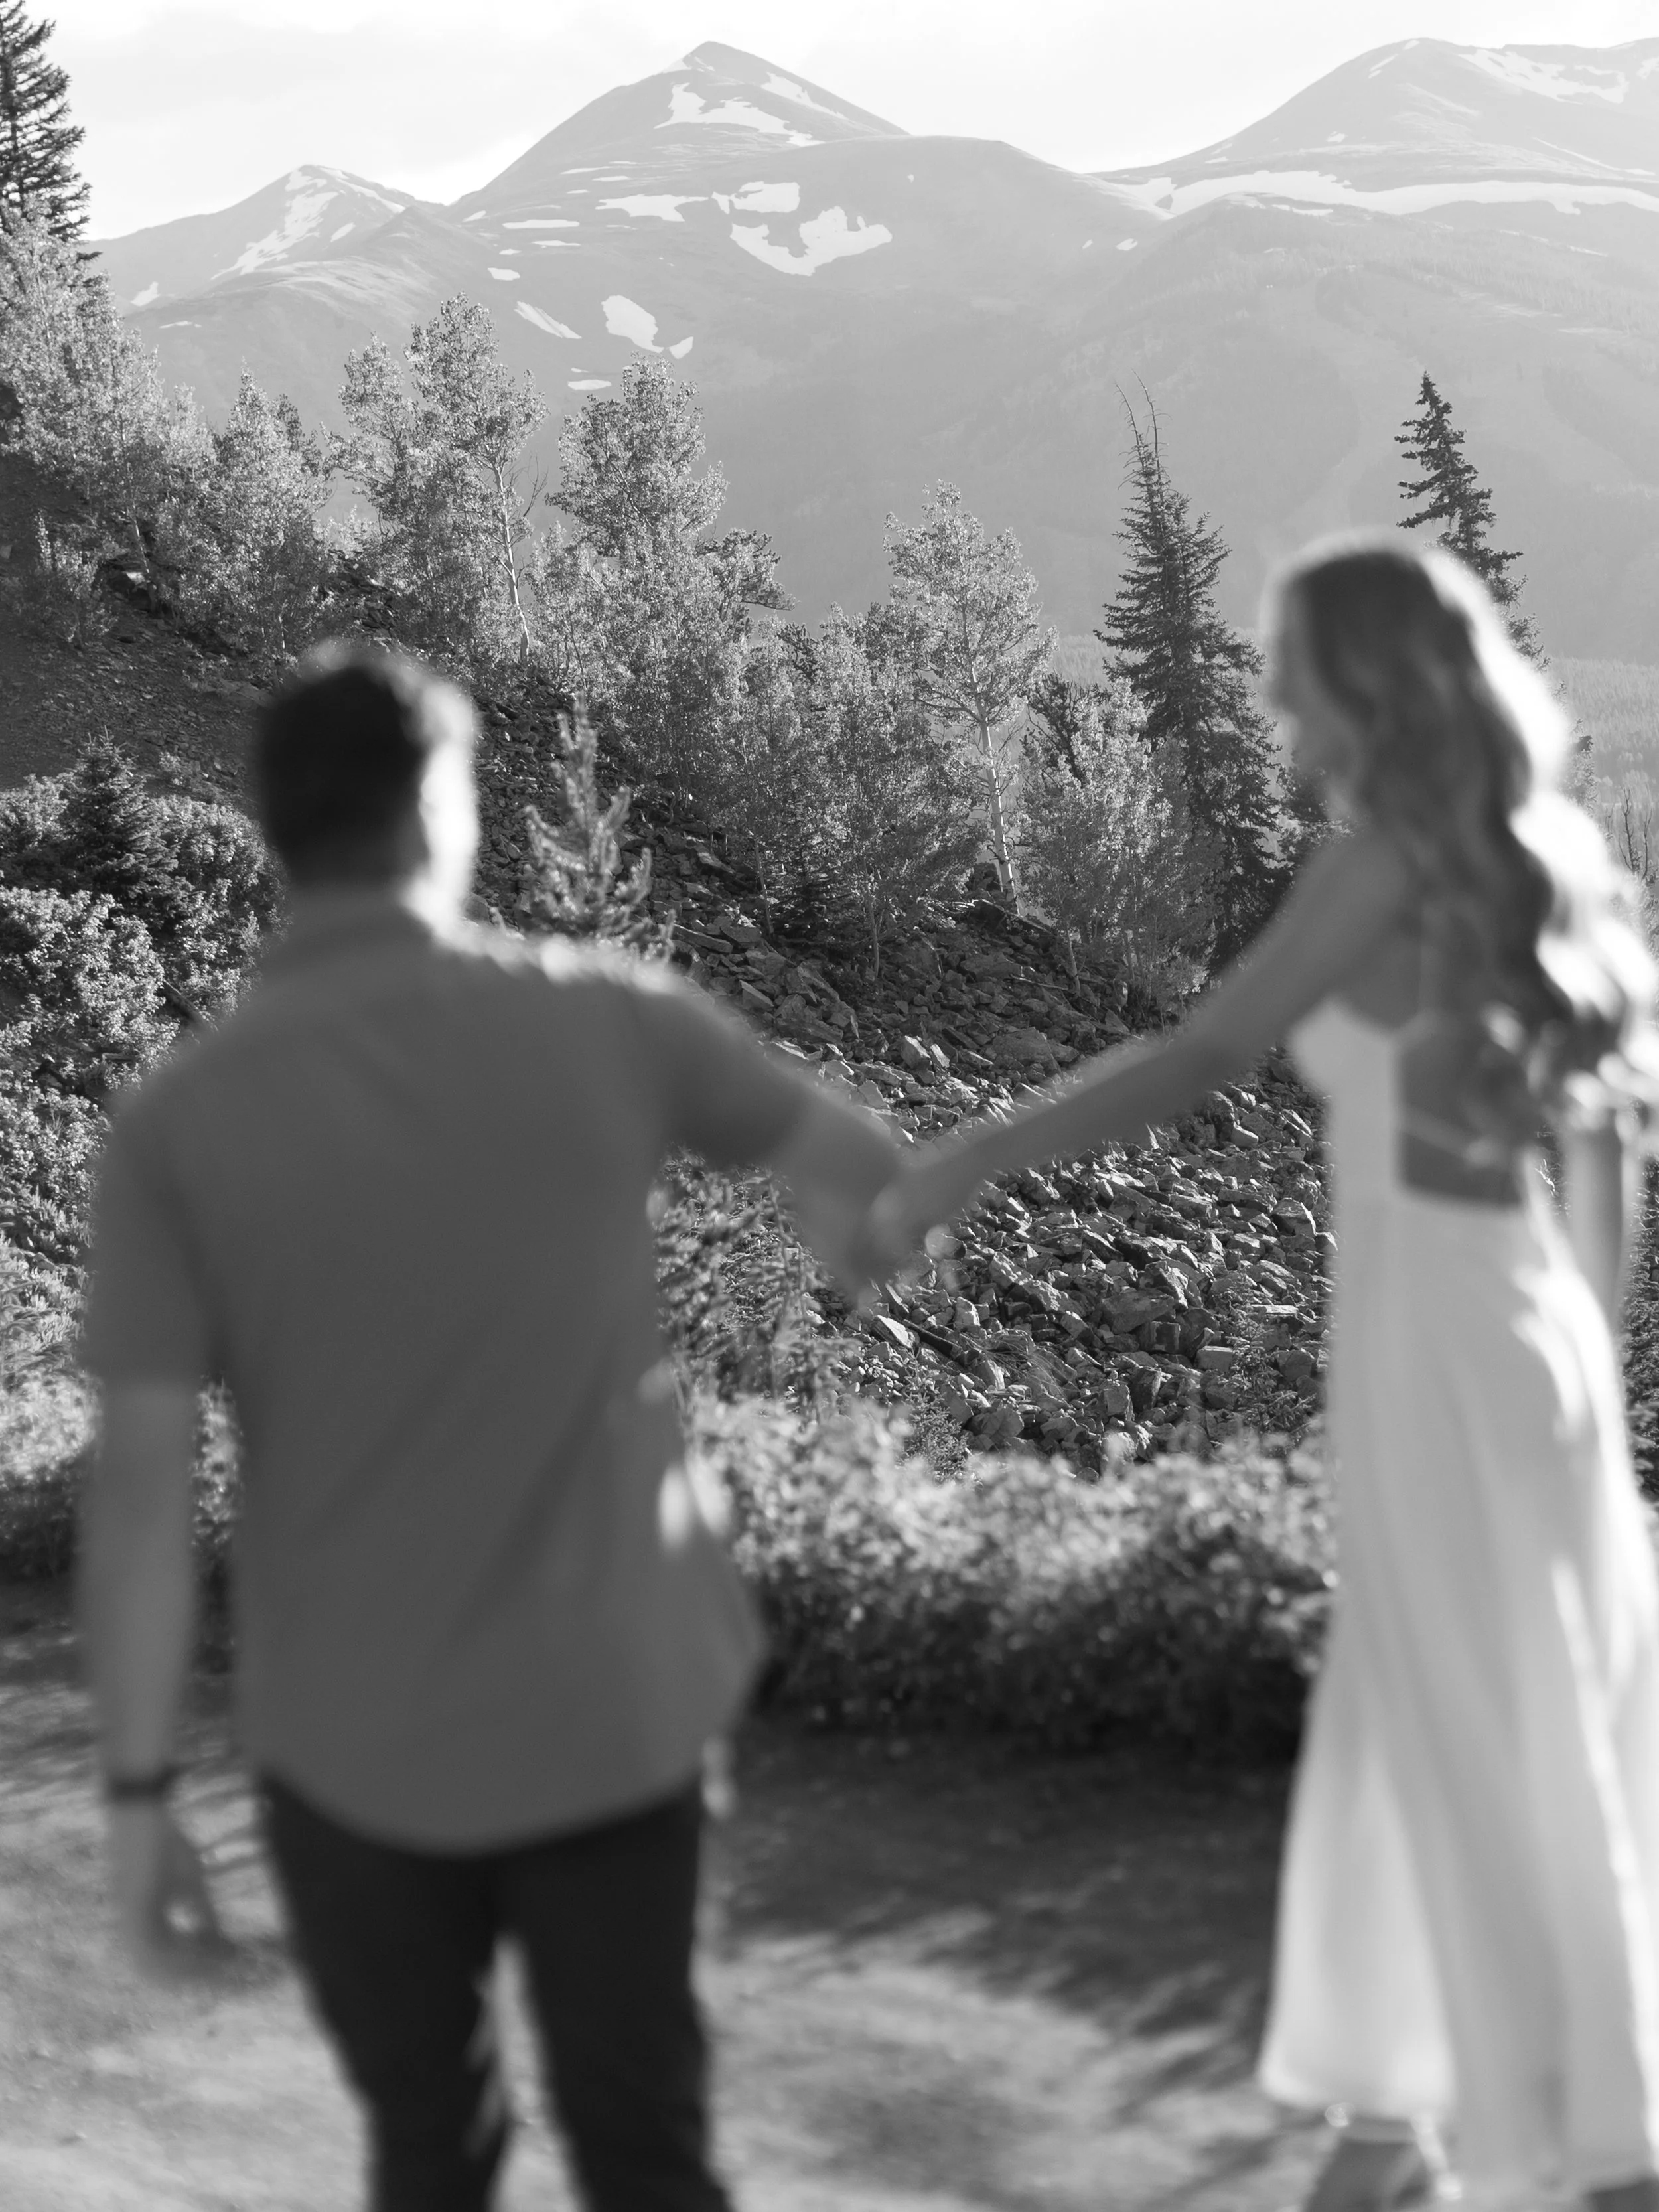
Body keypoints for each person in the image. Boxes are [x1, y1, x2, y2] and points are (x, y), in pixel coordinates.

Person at [868, 535, 1659, 2212]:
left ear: (1362, 682)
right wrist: (1569, 1353)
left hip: (1437, 1335)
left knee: (1468, 1744)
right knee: (1474, 1718)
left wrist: (962, 1159)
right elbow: (1606, 1156)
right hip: (1527, 1334)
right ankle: (1390, 2144)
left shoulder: (1369, 867)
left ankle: (1596, 2153)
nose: (1273, 693)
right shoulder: (1548, 859)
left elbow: (1203, 1055)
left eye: (1290, 663)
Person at [76, 644, 899, 2212]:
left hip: (349, 1741)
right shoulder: (599, 1018)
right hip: (613, 1704)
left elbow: (136, 1503)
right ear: (441, 812)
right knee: (647, 2147)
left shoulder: (176, 1122)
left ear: (275, 835)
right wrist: (844, 1229)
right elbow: (857, 1168)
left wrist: (135, 1800)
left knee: (427, 2158)